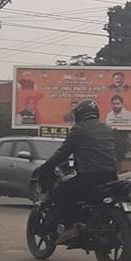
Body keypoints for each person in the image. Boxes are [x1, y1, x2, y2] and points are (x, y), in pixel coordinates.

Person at [35, 100, 118, 242]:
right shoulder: (107, 128)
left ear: (79, 114)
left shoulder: (78, 129)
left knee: (60, 191)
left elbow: (61, 154)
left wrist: (44, 168)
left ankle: (69, 227)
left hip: (89, 179)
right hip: (111, 177)